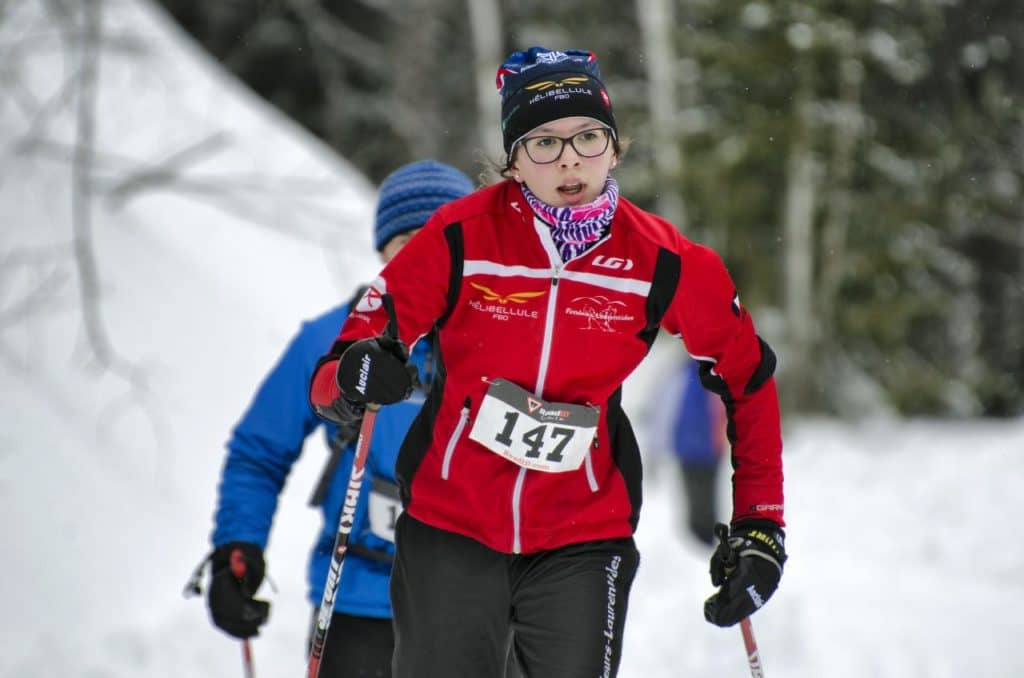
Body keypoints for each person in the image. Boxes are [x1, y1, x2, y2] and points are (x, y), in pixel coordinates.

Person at [309, 47, 787, 678]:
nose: (569, 159)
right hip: (450, 526)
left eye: (588, 137)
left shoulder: (665, 261)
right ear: (512, 161)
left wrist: (760, 523)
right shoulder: (459, 237)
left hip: (583, 536)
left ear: (615, 149)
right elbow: (337, 370)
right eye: (543, 143)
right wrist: (358, 373)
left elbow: (747, 378)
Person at [199, 160, 475, 676]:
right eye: (408, 241)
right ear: (382, 254)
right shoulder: (330, 342)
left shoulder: (508, 348)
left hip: (476, 604)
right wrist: (238, 546)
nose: (426, 258)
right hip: (356, 604)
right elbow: (259, 452)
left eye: (443, 241)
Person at [654, 358, 728, 546]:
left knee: (700, 497)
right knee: (704, 497)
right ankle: (702, 539)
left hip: (696, 447)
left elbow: (666, 410)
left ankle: (702, 539)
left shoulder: (683, 374)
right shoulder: (709, 373)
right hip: (702, 448)